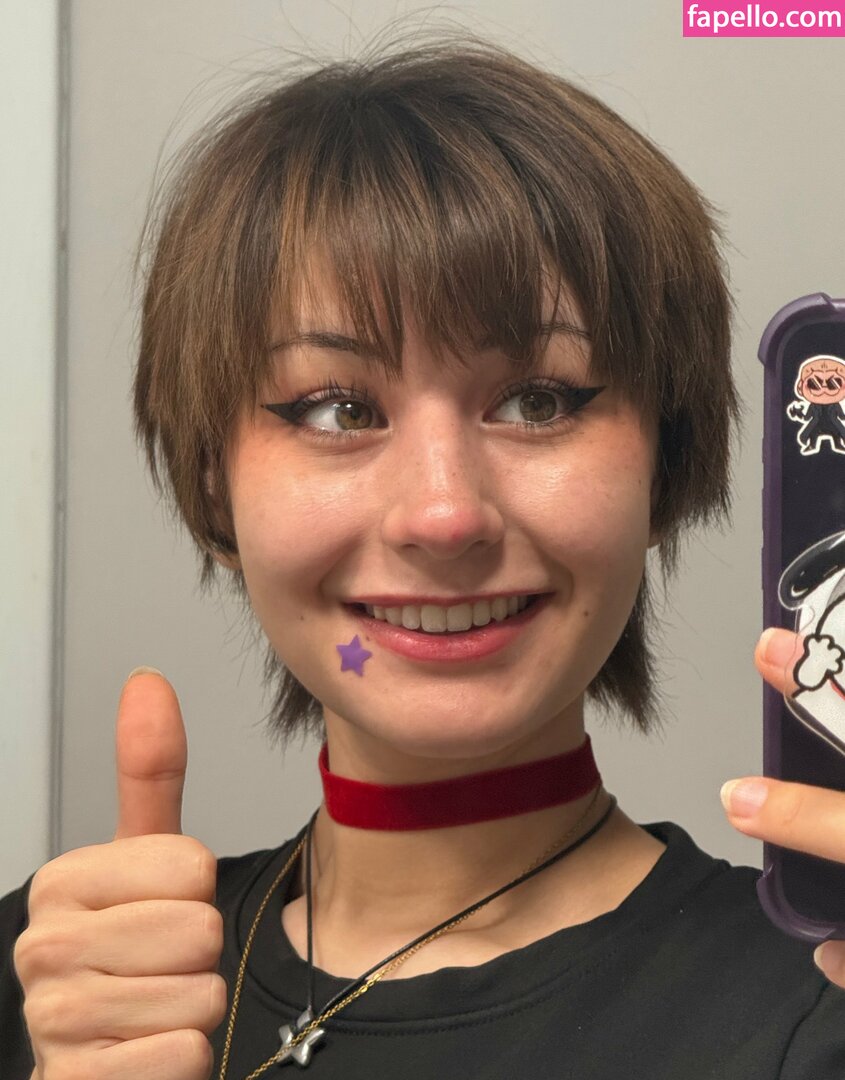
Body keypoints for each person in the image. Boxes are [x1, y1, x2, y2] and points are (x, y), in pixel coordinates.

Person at [3, 34, 845, 1080]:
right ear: (214, 480)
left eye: (537, 401)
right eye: (337, 409)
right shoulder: (58, 985)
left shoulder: (818, 1006)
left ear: (663, 463)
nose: (443, 516)